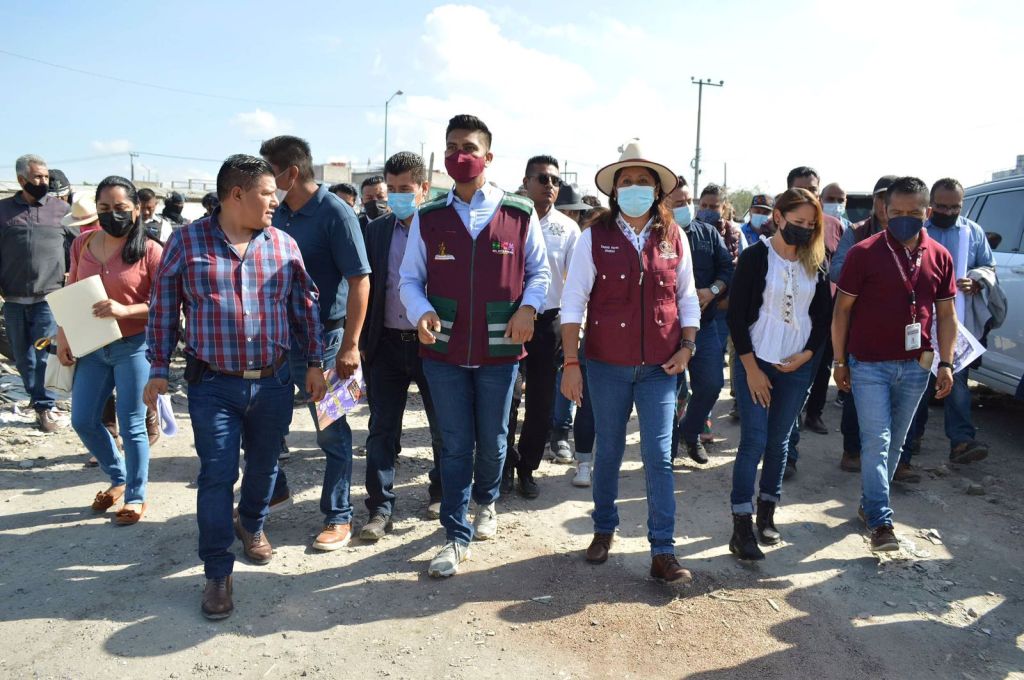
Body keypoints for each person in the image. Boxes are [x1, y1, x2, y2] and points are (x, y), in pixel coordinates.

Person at [143, 154, 327, 620]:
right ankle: (217, 571)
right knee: (216, 475)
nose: (275, 201)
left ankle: (251, 523)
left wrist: (315, 363)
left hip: (273, 382)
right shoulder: (186, 242)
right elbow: (163, 308)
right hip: (213, 385)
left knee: (265, 467)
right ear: (236, 195)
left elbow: (305, 308)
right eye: (267, 193)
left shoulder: (283, 244)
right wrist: (158, 368)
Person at [399, 114, 550, 578]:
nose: (458, 155)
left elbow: (540, 273)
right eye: (451, 147)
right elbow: (409, 279)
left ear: (488, 156)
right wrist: (420, 310)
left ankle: (487, 500)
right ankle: (455, 533)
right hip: (442, 349)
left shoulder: (518, 213)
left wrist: (529, 309)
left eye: (468, 147)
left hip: (500, 347)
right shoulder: (430, 216)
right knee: (454, 443)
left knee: (494, 439)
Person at [561, 140, 699, 583]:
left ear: (657, 190)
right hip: (606, 365)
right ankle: (604, 529)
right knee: (609, 451)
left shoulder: (674, 237)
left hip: (661, 367)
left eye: (643, 181)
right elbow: (573, 302)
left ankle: (663, 551)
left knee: (659, 456)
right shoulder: (593, 237)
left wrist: (687, 346)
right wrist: (571, 363)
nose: (635, 187)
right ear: (614, 190)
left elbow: (687, 298)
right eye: (627, 181)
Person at [833, 176, 957, 552]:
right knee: (877, 440)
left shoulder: (940, 256)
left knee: (897, 443)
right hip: (868, 364)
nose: (904, 218)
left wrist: (947, 363)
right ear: (885, 210)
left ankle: (869, 504)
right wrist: (839, 361)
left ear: (927, 212)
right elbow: (841, 311)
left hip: (917, 366)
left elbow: (947, 315)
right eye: (897, 211)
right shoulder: (863, 253)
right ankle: (881, 521)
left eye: (913, 212)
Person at [261, 135, 371, 552]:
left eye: (269, 172)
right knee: (263, 425)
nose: (264, 182)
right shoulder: (275, 212)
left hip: (326, 339)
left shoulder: (335, 213)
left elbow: (360, 280)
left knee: (331, 432)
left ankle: (339, 515)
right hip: (277, 339)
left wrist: (350, 345)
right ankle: (274, 491)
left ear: (291, 173)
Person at [726, 189, 831, 560]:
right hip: (756, 360)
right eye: (798, 221)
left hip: (797, 366)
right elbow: (735, 316)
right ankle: (741, 524)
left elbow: (823, 317)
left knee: (779, 441)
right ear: (779, 217)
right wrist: (752, 370)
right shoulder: (755, 257)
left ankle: (767, 512)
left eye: (810, 224)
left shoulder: (817, 261)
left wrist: (807, 356)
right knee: (753, 440)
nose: (804, 229)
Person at [58, 176, 163, 525]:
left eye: (120, 208)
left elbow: (167, 305)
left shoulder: (151, 250)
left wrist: (125, 310)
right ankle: (118, 476)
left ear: (136, 209)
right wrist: (63, 336)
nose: (112, 214)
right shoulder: (83, 243)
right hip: (92, 346)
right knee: (83, 419)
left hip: (134, 346)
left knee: (132, 424)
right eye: (104, 208)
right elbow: (71, 290)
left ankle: (136, 496)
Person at [359, 151, 446, 538]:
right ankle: (379, 508)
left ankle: (441, 493)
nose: (396, 196)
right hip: (387, 344)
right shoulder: (376, 231)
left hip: (434, 344)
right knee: (382, 429)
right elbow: (366, 286)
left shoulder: (441, 227)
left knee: (443, 426)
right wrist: (362, 340)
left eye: (404, 189)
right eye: (391, 189)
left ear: (423, 188)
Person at [901, 178, 993, 467]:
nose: (948, 212)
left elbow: (988, 266)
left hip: (956, 321)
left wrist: (977, 280)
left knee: (957, 380)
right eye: (941, 206)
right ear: (930, 205)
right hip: (920, 321)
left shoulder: (972, 232)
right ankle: (910, 439)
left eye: (955, 207)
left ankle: (962, 441)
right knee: (918, 381)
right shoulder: (916, 229)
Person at [502, 155, 580, 498]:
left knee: (541, 402)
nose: (550, 186)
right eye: (543, 179)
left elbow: (575, 285)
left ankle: (527, 468)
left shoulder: (568, 229)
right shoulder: (507, 219)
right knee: (505, 399)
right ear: (526, 182)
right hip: (508, 321)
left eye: (555, 181)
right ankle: (503, 467)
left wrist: (574, 329)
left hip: (548, 324)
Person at [830, 175, 898, 474]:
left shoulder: (915, 234)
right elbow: (836, 270)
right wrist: (872, 269)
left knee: (900, 395)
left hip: (901, 329)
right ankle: (852, 450)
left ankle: (898, 457)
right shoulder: (856, 232)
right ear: (875, 201)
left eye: (892, 198)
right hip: (860, 325)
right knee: (857, 390)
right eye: (882, 198)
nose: (886, 205)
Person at [780, 166, 846, 477]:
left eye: (814, 191)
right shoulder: (776, 224)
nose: (810, 196)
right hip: (779, 326)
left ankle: (788, 455)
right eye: (802, 190)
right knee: (782, 395)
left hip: (817, 326)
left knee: (800, 392)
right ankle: (781, 452)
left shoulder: (833, 227)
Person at [0, 154, 73, 432]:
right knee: (22, 357)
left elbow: (80, 244)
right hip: (13, 298)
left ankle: (45, 405)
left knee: (44, 355)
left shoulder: (61, 210)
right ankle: (37, 397)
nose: (43, 181)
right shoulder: (4, 211)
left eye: (45, 177)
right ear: (21, 180)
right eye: (37, 177)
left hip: (48, 297)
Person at [666, 175, 733, 465]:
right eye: (677, 203)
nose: (685, 207)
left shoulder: (708, 234)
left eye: (687, 201)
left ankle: (690, 432)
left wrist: (713, 290)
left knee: (711, 384)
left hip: (704, 327)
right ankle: (666, 452)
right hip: (665, 331)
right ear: (663, 204)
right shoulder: (656, 236)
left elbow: (727, 269)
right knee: (667, 394)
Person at [549, 182, 592, 461]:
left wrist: (581, 321)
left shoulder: (579, 236)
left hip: (571, 316)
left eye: (575, 213)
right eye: (567, 211)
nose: (571, 217)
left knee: (566, 371)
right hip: (542, 314)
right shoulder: (539, 229)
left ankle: (561, 432)